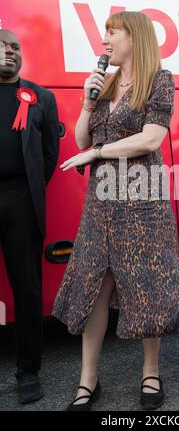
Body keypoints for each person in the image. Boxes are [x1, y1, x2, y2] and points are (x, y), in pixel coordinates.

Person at [53, 11, 179, 411]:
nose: (105, 41)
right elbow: (82, 138)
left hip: (143, 197)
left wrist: (100, 152)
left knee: (146, 282)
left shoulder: (160, 80)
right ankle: (89, 379)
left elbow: (151, 138)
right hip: (102, 200)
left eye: (112, 33)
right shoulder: (104, 84)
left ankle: (150, 370)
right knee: (94, 285)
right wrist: (87, 101)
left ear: (134, 37)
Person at [0, 29, 60, 403]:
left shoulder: (41, 97)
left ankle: (28, 372)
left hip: (21, 201)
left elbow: (49, 153)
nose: (10, 52)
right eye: (2, 46)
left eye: (15, 47)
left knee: (27, 288)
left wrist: (30, 188)